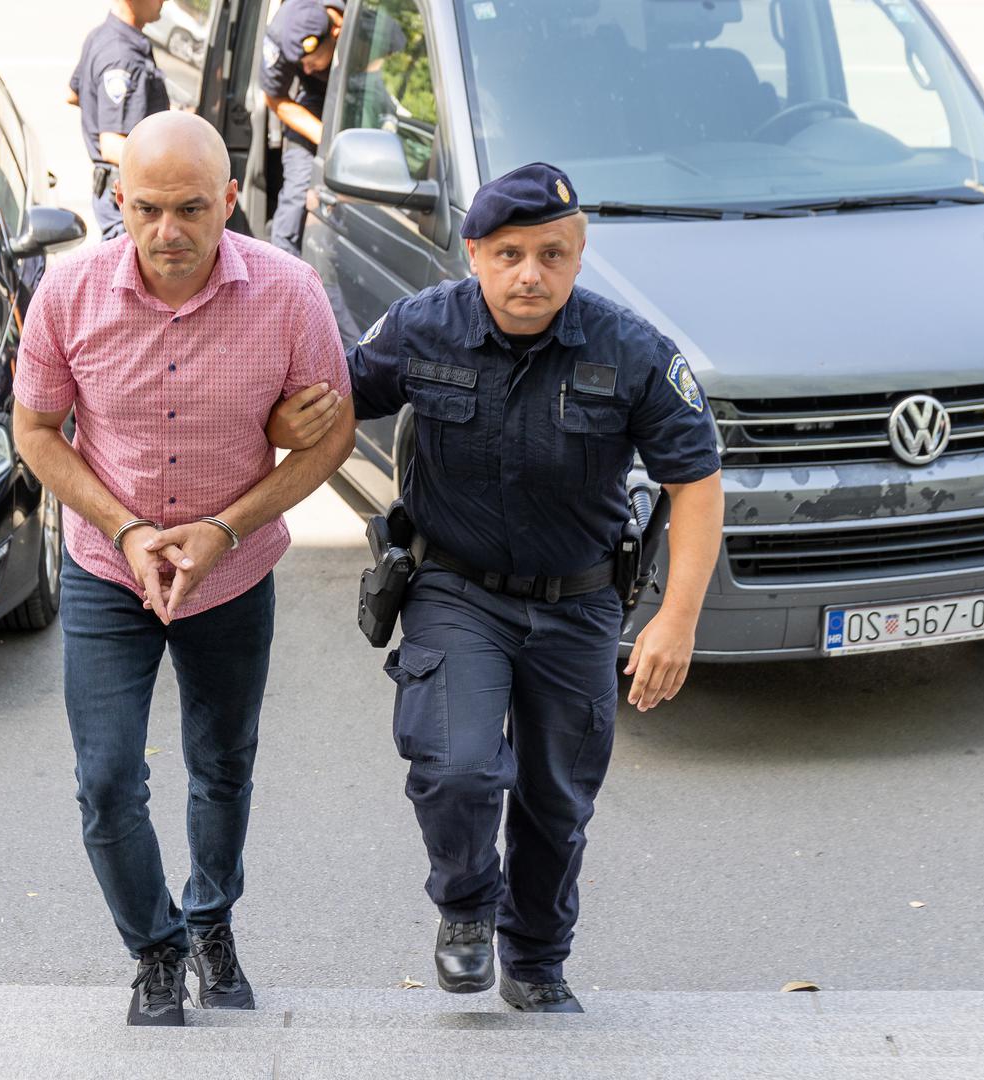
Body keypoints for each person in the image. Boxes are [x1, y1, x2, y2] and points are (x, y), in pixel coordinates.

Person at [269, 163, 724, 1012]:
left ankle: (539, 963)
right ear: (472, 253)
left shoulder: (630, 351)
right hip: (456, 588)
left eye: (551, 255)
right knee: (457, 765)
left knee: (557, 802)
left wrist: (676, 619)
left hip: (580, 601)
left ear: (578, 256)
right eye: (508, 253)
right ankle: (468, 909)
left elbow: (694, 482)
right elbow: (327, 400)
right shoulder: (420, 327)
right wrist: (262, 428)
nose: (529, 274)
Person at [13, 112, 356, 1027]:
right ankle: (156, 950)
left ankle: (210, 922)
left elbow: (333, 437)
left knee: (223, 765)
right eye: (148, 209)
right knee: (108, 779)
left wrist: (225, 530)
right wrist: (127, 530)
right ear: (117, 201)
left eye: (192, 209)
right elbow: (36, 431)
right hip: (106, 569)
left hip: (231, 575)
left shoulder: (289, 294)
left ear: (231, 200)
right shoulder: (68, 293)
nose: (169, 233)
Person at [68, 0, 172, 239]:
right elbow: (112, 145)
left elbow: (73, 93)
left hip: (117, 195)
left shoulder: (102, 36)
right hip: (130, 201)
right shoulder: (122, 56)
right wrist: (174, 159)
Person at [258, 0, 345, 255]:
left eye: (311, 62)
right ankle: (282, 270)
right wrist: (326, 139)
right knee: (297, 191)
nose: (304, 68)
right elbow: (275, 98)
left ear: (336, 30)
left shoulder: (363, 21)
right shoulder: (282, 31)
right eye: (300, 63)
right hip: (313, 101)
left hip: (357, 95)